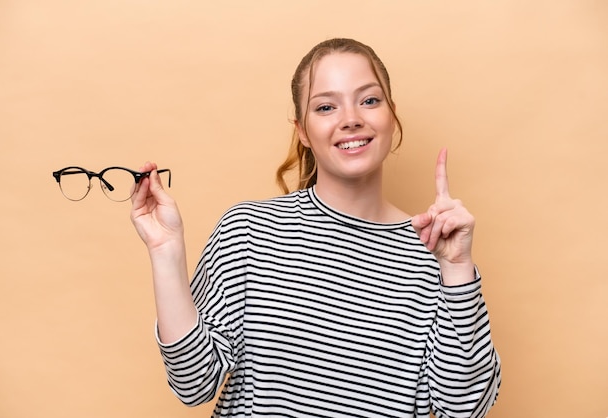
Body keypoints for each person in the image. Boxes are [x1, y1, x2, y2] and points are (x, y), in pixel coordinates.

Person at [130, 38, 501, 418]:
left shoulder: (435, 252)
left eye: (369, 100)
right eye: (326, 107)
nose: (351, 118)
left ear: (392, 115)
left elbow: (464, 408)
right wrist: (166, 251)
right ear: (303, 132)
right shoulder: (249, 231)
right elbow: (194, 384)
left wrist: (456, 271)